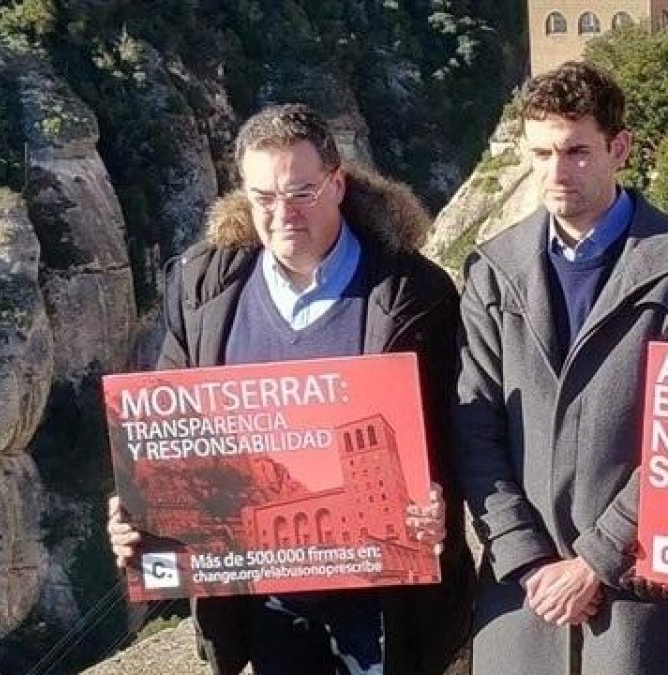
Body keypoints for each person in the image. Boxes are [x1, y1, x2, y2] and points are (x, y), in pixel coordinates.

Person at [106, 104, 475, 675]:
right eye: (263, 198)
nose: (283, 215)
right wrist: (139, 513)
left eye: (301, 193)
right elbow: (171, 429)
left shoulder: (414, 291)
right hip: (266, 604)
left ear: (338, 183)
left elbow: (459, 430)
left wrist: (439, 506)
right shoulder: (204, 286)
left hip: (381, 602)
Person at [451, 60, 668, 675]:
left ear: (619, 148)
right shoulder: (494, 272)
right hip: (524, 603)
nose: (556, 172)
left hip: (641, 601)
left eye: (576, 151)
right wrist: (526, 558)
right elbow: (476, 430)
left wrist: (593, 562)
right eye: (542, 152)